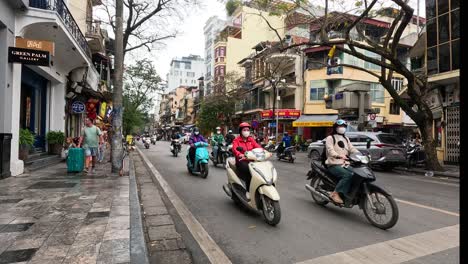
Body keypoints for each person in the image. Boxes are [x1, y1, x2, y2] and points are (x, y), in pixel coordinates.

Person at [325, 119, 360, 204]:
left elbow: (351, 148)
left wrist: (360, 154)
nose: (342, 128)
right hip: (333, 164)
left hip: (345, 164)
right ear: (335, 127)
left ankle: (347, 193)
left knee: (357, 173)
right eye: (340, 126)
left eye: (344, 127)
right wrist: (338, 155)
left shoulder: (346, 138)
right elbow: (330, 150)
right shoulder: (330, 138)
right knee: (347, 175)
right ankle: (335, 193)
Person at [232, 122, 262, 200]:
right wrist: (240, 154)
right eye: (244, 130)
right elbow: (235, 150)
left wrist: (264, 151)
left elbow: (257, 147)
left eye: (248, 130)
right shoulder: (236, 140)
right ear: (241, 131)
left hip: (252, 160)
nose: (246, 131)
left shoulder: (251, 139)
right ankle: (248, 191)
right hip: (241, 161)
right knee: (249, 171)